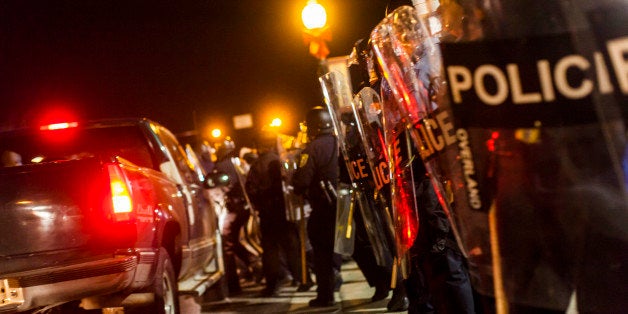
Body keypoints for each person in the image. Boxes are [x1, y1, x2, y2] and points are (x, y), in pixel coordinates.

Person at [245, 131, 308, 297]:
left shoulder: (257, 165)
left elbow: (250, 189)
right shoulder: (280, 161)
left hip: (267, 214)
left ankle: (272, 285)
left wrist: (259, 205)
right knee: (292, 246)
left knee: (270, 250)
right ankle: (303, 279)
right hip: (284, 211)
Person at [292, 106, 341, 307]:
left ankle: (325, 294)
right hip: (346, 203)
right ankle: (385, 285)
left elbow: (302, 181)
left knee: (322, 252)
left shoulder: (311, 149)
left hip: (323, 207)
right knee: (360, 248)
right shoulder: (340, 142)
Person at [213, 138, 258, 296]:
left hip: (234, 208)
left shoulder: (223, 165)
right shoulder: (234, 163)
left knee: (227, 245)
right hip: (243, 207)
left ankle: (234, 284)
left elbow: (225, 185)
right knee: (236, 241)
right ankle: (255, 263)